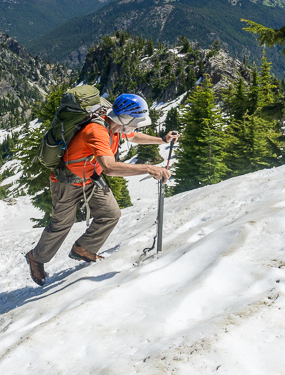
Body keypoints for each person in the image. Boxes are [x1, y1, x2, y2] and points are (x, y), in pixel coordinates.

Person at [25, 94, 180, 286]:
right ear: (124, 119)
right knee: (62, 224)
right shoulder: (97, 131)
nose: (136, 127)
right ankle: (36, 257)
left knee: (110, 213)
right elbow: (110, 167)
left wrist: (162, 140)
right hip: (67, 181)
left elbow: (132, 136)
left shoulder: (116, 126)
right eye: (135, 122)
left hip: (91, 178)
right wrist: (148, 168)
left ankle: (82, 248)